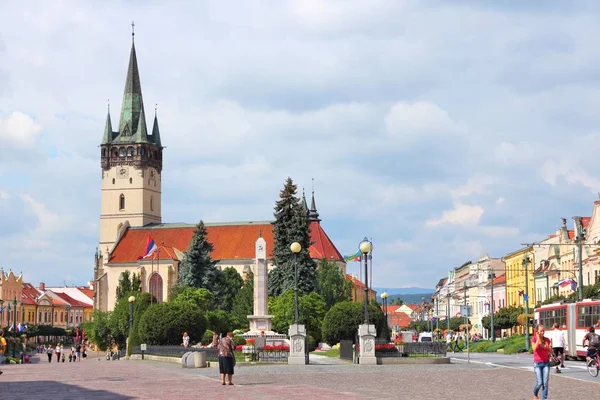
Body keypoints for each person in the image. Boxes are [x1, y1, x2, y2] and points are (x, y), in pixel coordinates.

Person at [532, 324, 551, 400]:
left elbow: (550, 351)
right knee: (539, 382)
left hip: (546, 363)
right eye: (541, 331)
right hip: (537, 363)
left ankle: (544, 398)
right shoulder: (534, 339)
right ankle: (535, 393)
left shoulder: (547, 340)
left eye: (543, 331)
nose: (542, 332)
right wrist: (537, 339)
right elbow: (534, 348)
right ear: (537, 331)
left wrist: (550, 347)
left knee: (545, 382)